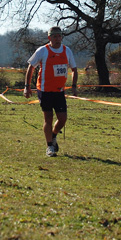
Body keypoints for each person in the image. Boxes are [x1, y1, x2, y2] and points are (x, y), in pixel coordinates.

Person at [24, 26, 78, 157]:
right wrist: (27, 86)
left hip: (59, 91)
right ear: (49, 38)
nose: (58, 39)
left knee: (63, 119)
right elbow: (31, 68)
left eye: (59, 36)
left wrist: (74, 86)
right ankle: (49, 147)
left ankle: (53, 136)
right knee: (48, 118)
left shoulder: (67, 51)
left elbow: (74, 69)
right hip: (45, 90)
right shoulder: (43, 51)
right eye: (55, 36)